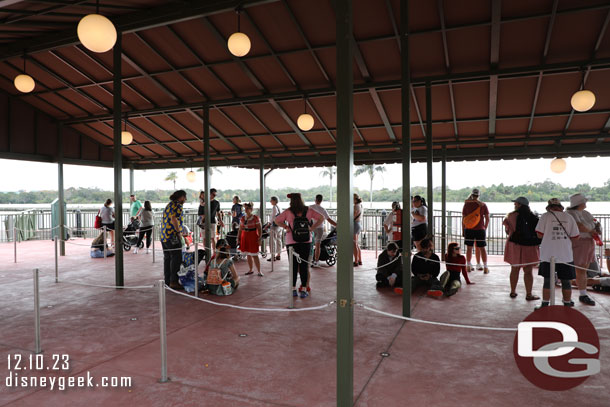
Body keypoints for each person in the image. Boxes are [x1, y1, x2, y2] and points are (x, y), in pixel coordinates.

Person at [274, 193, 323, 298]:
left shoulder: (288, 211)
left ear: (291, 201)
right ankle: (304, 289)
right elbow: (321, 218)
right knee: (304, 266)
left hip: (291, 241)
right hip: (306, 240)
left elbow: (276, 220)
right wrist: (312, 228)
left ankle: (293, 289)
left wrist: (286, 227)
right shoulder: (308, 210)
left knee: (293, 266)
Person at [534, 198, 580, 309]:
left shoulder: (545, 216)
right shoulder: (569, 217)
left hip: (548, 254)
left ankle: (545, 304)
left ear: (549, 207)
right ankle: (567, 303)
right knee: (566, 281)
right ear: (561, 207)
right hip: (565, 254)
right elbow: (576, 236)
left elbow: (539, 234)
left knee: (547, 281)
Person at [503, 197, 540, 301]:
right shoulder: (533, 216)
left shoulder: (510, 216)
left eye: (515, 203)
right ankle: (529, 294)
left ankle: (513, 292)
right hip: (529, 246)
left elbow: (508, 230)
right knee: (528, 271)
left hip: (515, 245)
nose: (514, 204)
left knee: (514, 269)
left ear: (519, 204)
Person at [566, 193, 597, 305]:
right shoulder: (570, 214)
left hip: (588, 242)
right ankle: (567, 296)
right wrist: (591, 229)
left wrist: (592, 229)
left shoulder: (585, 213)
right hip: (577, 243)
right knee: (573, 269)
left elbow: (595, 224)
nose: (586, 203)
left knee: (583, 269)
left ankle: (583, 294)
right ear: (579, 203)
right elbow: (580, 227)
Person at [160, 190, 188, 290]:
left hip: (164, 236)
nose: (185, 199)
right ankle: (173, 281)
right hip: (173, 236)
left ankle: (167, 281)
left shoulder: (169, 205)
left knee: (167, 258)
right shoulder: (178, 206)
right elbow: (174, 219)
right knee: (176, 258)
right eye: (185, 197)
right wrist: (178, 232)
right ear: (180, 197)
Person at [462, 188, 490, 273]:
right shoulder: (483, 205)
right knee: (482, 248)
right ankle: (485, 267)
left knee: (469, 248)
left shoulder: (466, 204)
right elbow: (487, 218)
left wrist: (463, 230)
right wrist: (484, 227)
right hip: (480, 229)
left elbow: (464, 219)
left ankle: (468, 266)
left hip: (469, 229)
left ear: (472, 194)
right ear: (478, 195)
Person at [310, 194, 337, 267]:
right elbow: (329, 220)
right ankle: (316, 261)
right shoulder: (322, 209)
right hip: (320, 229)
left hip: (312, 228)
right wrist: (337, 225)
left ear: (315, 199)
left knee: (310, 244)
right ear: (321, 200)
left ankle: (309, 259)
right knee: (318, 245)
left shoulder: (310, 207)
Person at [238, 202, 263, 276]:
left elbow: (259, 228)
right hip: (244, 236)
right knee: (248, 254)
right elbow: (240, 229)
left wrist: (260, 237)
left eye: (247, 208)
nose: (245, 210)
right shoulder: (242, 218)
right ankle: (251, 269)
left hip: (253, 236)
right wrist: (238, 238)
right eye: (245, 208)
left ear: (251, 209)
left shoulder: (255, 218)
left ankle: (259, 271)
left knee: (254, 254)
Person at [267, 196, 282, 262]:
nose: (270, 201)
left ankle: (273, 256)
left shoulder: (274, 207)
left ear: (274, 201)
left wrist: (269, 223)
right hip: (280, 225)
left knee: (272, 241)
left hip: (274, 226)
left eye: (271, 200)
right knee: (279, 240)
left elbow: (273, 217)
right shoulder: (279, 207)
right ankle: (278, 254)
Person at [353, 193, 363, 266]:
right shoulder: (360, 205)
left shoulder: (355, 206)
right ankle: (360, 260)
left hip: (355, 225)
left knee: (354, 244)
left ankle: (356, 261)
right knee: (356, 244)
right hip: (359, 224)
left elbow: (352, 216)